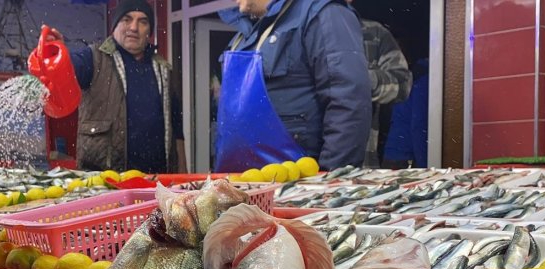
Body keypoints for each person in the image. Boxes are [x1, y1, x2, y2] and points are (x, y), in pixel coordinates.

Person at [214, 0, 371, 172]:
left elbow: (349, 102)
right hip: (238, 181)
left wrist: (331, 179)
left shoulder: (323, 13)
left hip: (296, 183)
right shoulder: (244, 36)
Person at [43, 0, 186, 173]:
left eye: (143, 22)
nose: (134, 27)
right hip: (105, 180)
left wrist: (184, 175)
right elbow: (64, 73)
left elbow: (177, 130)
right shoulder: (93, 58)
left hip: (157, 180)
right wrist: (57, 54)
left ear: (149, 32)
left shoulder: (163, 70)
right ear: (115, 26)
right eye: (127, 19)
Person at [350, 3, 412, 168]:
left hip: (362, 161)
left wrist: (358, 79)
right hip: (297, 156)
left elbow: (403, 84)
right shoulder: (297, 30)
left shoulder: (374, 33)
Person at [383, 58, 429, 169]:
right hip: (405, 158)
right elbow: (418, 126)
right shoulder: (425, 82)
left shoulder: (412, 80)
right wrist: (424, 165)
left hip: (395, 153)